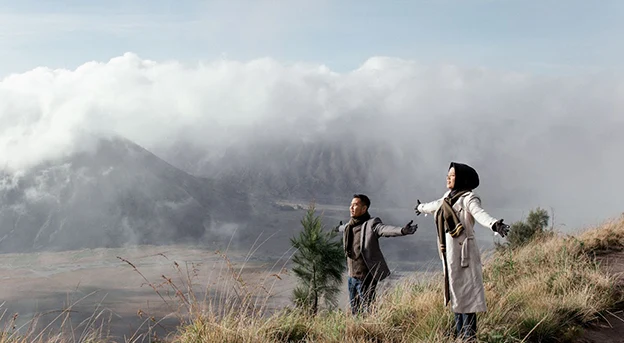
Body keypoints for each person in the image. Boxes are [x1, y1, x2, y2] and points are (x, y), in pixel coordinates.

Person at [414, 162, 510, 341]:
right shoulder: (447, 197)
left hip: (464, 254)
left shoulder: (469, 198)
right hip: (450, 254)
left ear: (462, 178)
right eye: (448, 175)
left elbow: (480, 214)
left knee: (468, 297)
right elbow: (435, 205)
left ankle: (468, 337)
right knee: (456, 295)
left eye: (452, 175)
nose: (448, 178)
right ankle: (460, 337)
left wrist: (495, 224)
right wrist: (421, 208)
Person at [335, 194, 418, 315]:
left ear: (364, 209)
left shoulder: (371, 224)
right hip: (351, 277)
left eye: (355, 205)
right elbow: (344, 227)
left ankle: (372, 332)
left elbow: (384, 229)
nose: (351, 207)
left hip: (365, 278)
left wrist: (402, 231)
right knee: (355, 312)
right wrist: (338, 228)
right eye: (351, 205)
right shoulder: (350, 225)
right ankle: (358, 332)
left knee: (369, 311)